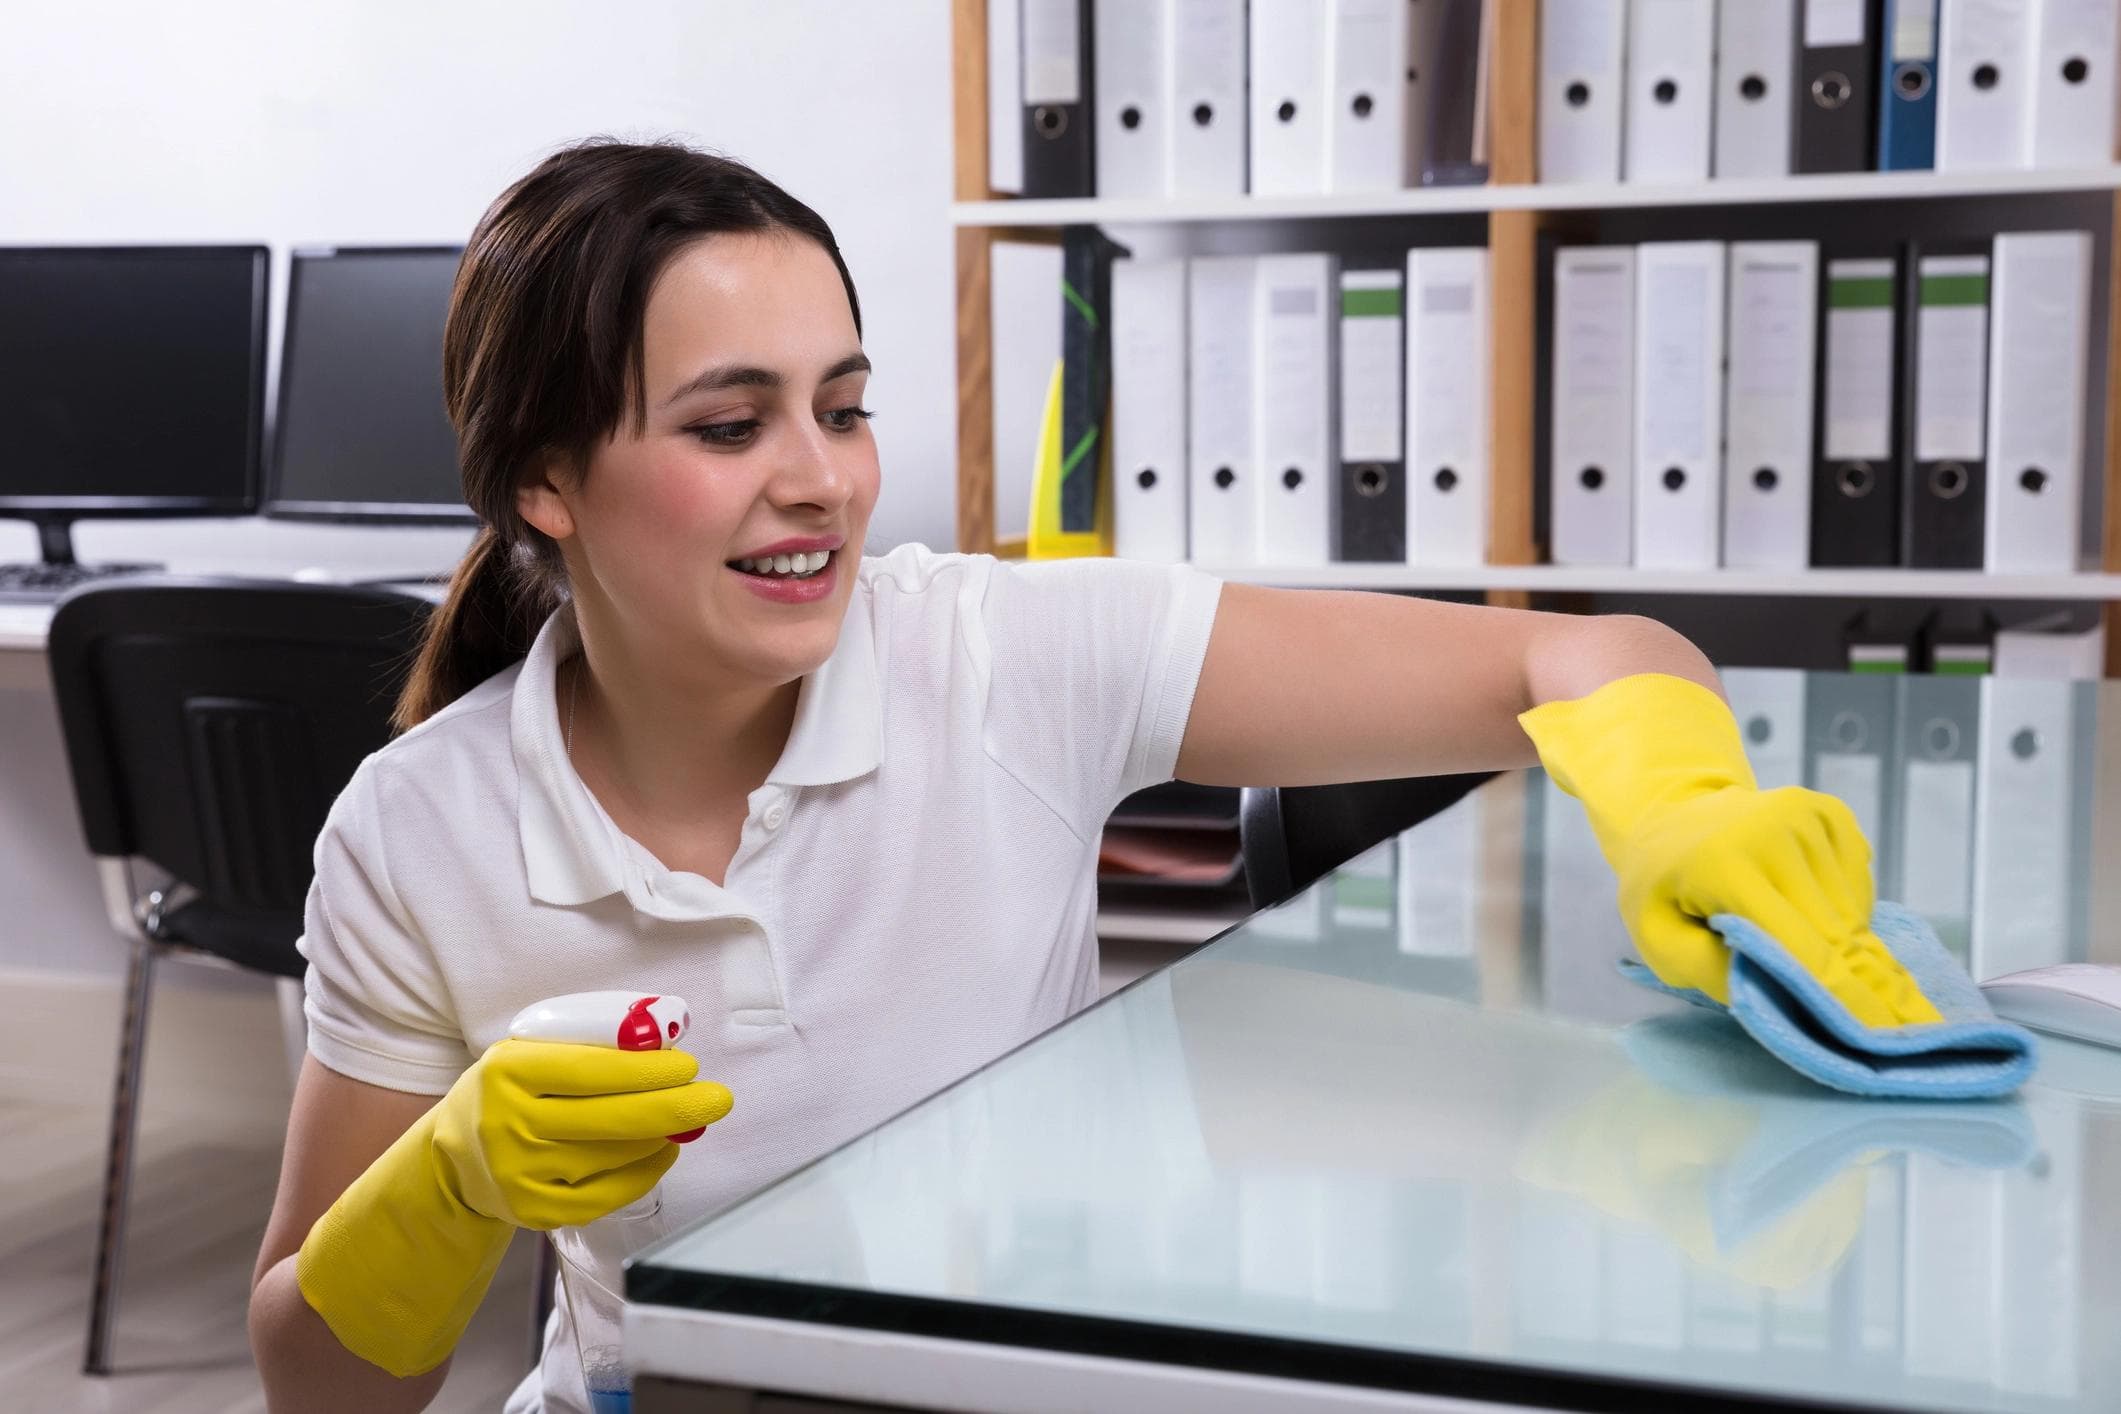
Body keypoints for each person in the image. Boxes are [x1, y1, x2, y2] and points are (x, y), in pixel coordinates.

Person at [247, 139, 1939, 1413]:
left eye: (841, 408)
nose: (820, 480)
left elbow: (1586, 652)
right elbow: (320, 1390)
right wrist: (449, 1186)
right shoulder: (418, 827)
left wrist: (1682, 802)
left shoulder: (1000, 658)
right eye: (726, 425)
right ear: (545, 477)